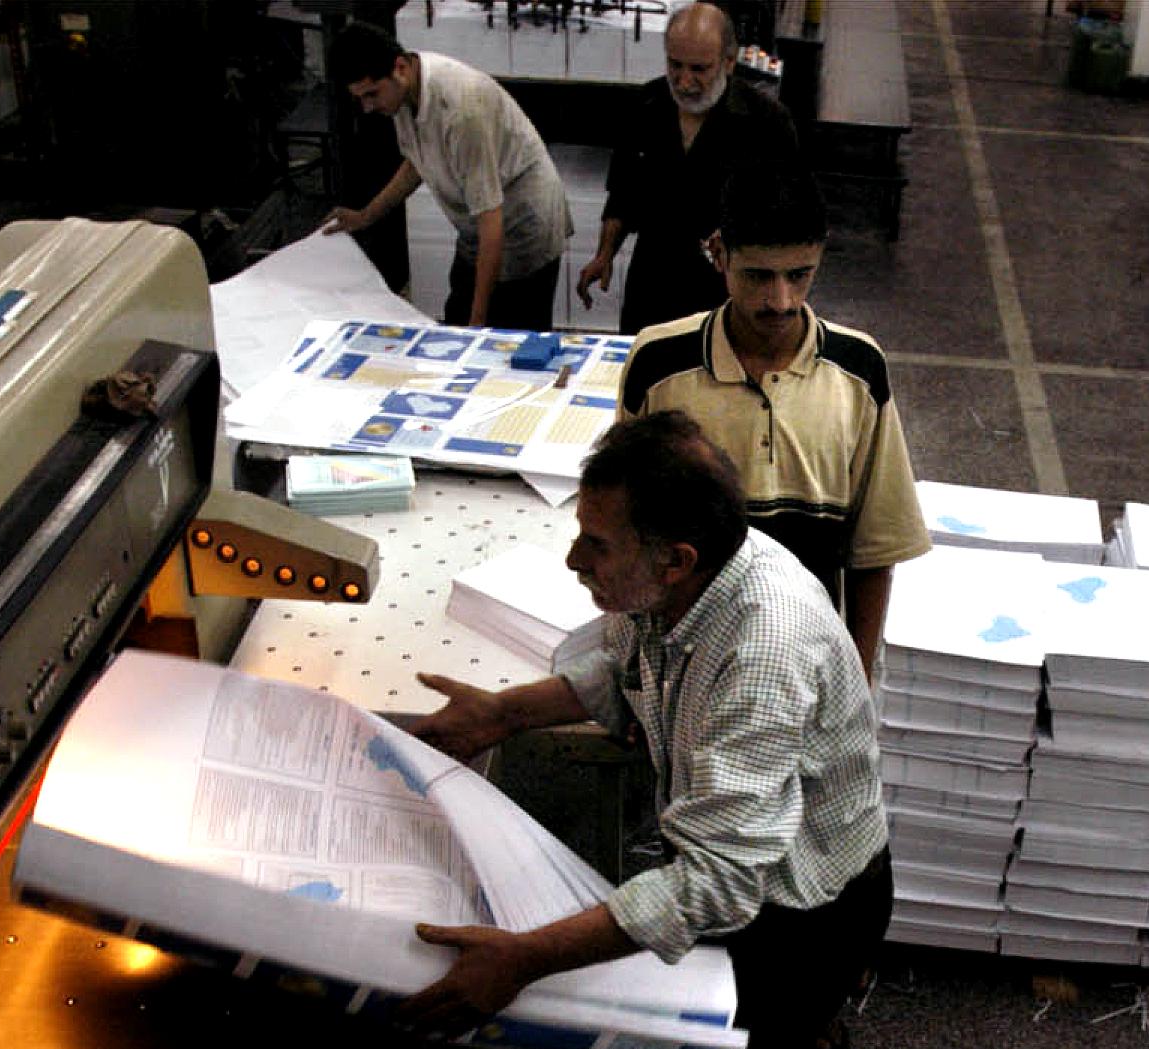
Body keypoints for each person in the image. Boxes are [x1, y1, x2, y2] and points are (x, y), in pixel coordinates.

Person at [400, 411, 891, 1049]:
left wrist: (525, 960)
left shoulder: (758, 651)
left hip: (808, 907)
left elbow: (716, 887)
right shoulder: (679, 594)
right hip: (746, 868)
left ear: (675, 558)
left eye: (595, 544)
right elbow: (618, 667)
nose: (573, 561)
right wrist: (502, 715)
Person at [619, 167, 929, 681]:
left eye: (799, 275)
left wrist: (855, 676)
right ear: (718, 253)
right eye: (759, 276)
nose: (781, 301)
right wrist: (636, 670)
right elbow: (630, 530)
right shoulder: (659, 365)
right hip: (687, 663)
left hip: (808, 666)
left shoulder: (859, 372)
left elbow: (874, 549)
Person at [321, 21, 573, 329]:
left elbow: (491, 223)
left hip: (520, 226)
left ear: (399, 67)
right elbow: (418, 161)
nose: (368, 107)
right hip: (476, 229)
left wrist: (477, 325)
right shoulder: (404, 93)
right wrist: (366, 216)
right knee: (457, 319)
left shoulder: (461, 111)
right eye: (360, 98)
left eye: (372, 94)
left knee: (510, 342)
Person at [577, 3, 800, 334]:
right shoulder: (646, 106)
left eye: (699, 69)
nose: (684, 82)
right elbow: (623, 194)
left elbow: (788, 215)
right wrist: (604, 254)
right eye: (675, 65)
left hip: (726, 292)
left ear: (728, 61)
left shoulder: (767, 123)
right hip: (652, 282)